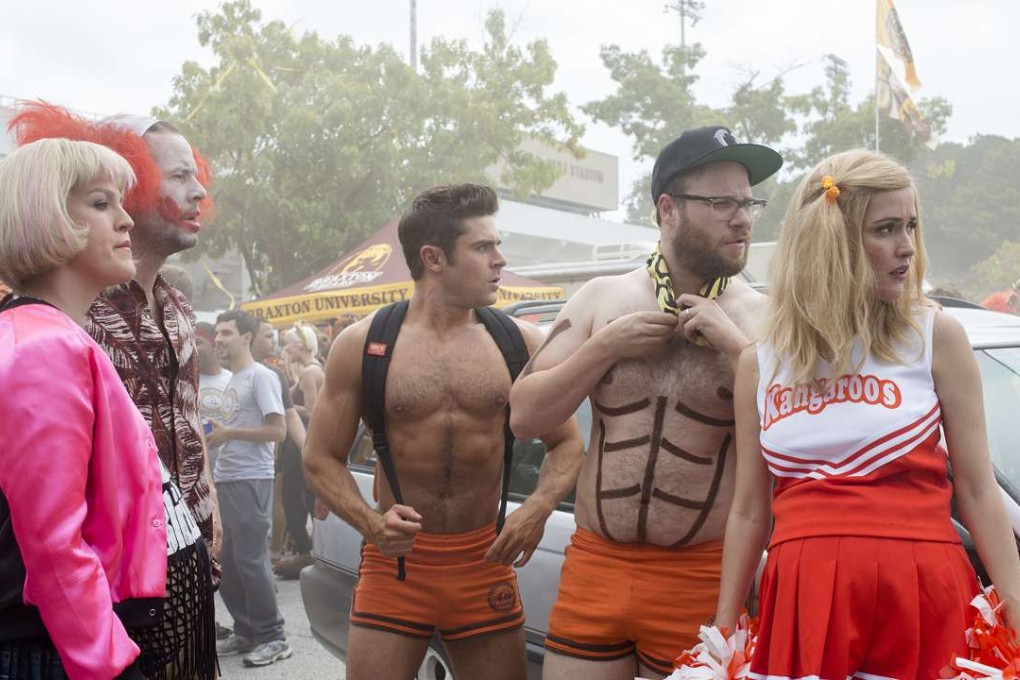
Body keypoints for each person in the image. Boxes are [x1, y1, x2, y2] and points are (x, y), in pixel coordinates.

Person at [712, 149, 1020, 679]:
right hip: (803, 596)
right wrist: (722, 632)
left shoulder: (936, 336)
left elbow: (976, 489)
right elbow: (748, 511)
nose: (906, 248)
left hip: (920, 592)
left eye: (911, 225)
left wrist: (1014, 603)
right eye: (885, 229)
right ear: (833, 244)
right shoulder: (758, 363)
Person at [509, 126, 782, 680]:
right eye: (722, 202)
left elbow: (797, 440)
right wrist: (605, 346)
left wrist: (735, 347)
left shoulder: (762, 320)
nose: (743, 218)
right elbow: (524, 417)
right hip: (595, 565)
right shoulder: (601, 298)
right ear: (667, 208)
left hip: (704, 576)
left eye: (749, 202)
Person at [304, 183, 584, 680]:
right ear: (433, 257)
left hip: (485, 561)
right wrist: (371, 524)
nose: (500, 259)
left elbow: (568, 443)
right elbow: (319, 457)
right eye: (483, 247)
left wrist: (537, 509)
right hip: (398, 566)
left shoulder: (518, 343)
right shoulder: (364, 344)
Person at [9, 104, 220, 679]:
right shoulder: (59, 323)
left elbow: (183, 421)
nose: (198, 192)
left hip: (167, 587)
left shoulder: (177, 306)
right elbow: (52, 540)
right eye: (178, 177)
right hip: (98, 616)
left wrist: (206, 507)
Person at [208, 309, 291, 667]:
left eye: (227, 333)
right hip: (227, 478)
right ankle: (245, 631)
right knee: (226, 561)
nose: (219, 339)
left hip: (252, 478)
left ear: (246, 337)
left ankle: (274, 636)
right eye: (218, 333)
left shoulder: (261, 377)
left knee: (251, 560)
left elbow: (278, 431)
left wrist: (229, 434)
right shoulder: (233, 379)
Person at [248, 320, 307, 566]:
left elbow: (290, 415)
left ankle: (268, 556)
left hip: (262, 461)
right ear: (249, 338)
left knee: (267, 510)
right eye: (268, 337)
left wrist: (308, 452)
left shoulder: (275, 374)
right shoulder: (226, 370)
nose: (274, 342)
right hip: (227, 462)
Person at [274, 322, 325, 579]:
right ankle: (315, 549)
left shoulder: (309, 372)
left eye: (290, 342)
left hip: (301, 439)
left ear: (302, 345)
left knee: (294, 498)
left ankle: (306, 550)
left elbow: (314, 412)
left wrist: (287, 408)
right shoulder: (316, 367)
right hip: (303, 439)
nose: (285, 347)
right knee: (306, 496)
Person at [196, 322, 231, 471]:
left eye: (198, 342)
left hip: (228, 468)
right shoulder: (184, 382)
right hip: (196, 468)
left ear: (214, 346)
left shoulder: (233, 379)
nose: (192, 348)